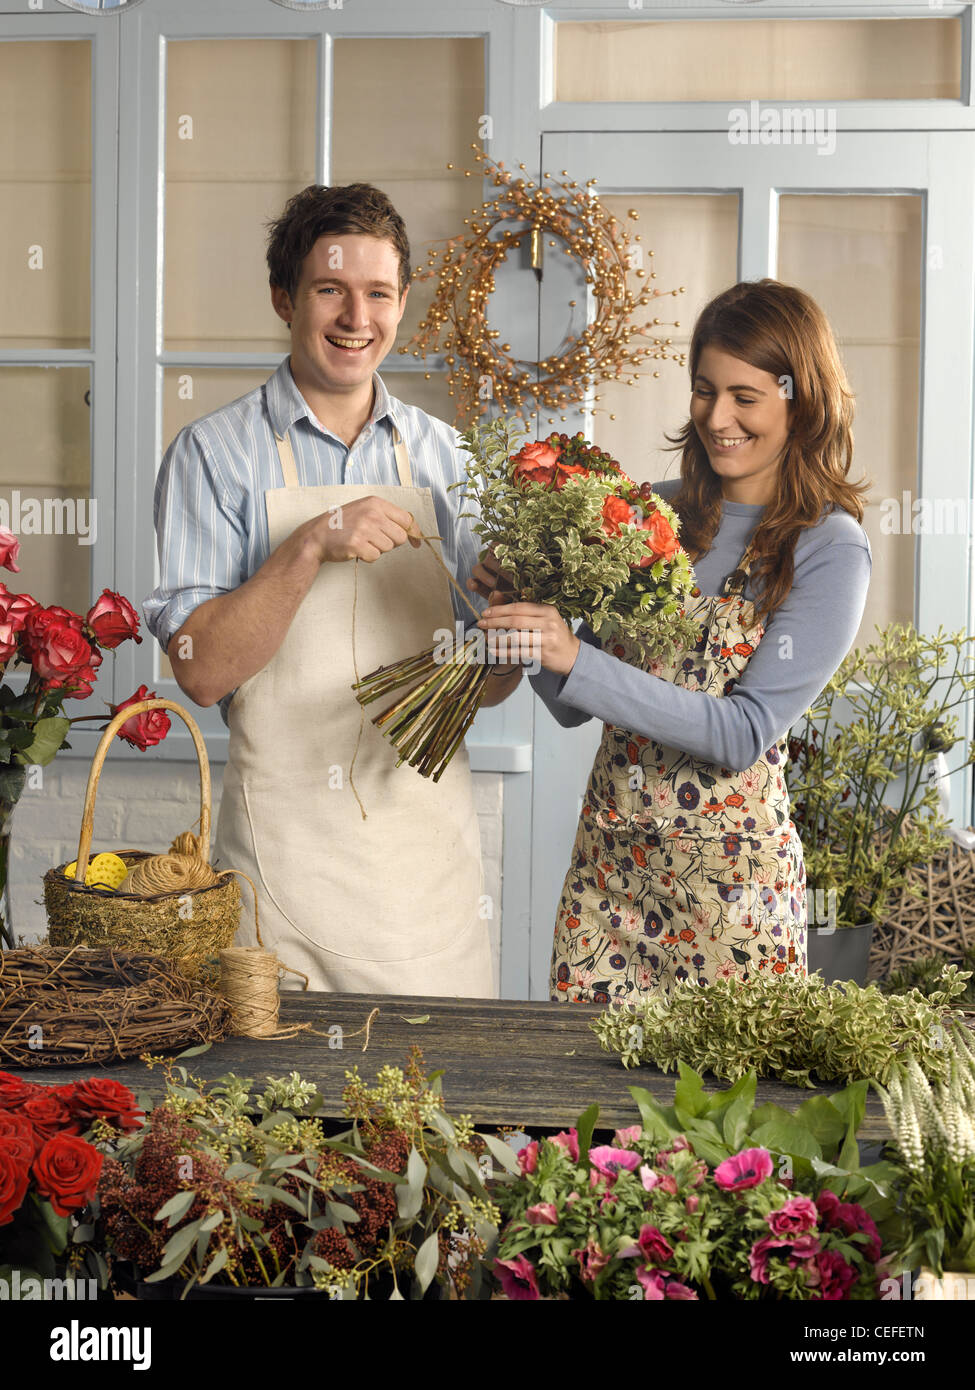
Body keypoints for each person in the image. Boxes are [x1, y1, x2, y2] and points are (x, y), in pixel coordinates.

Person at [144, 183, 520, 996]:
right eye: (330, 290)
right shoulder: (212, 457)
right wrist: (310, 544)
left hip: (427, 878)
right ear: (284, 298)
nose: (357, 317)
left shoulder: (448, 458)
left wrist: (506, 626)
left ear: (401, 302)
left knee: (444, 1118)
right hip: (283, 871)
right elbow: (203, 670)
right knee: (282, 1120)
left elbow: (485, 688)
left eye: (377, 294)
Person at [474, 278, 872, 1003]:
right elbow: (573, 702)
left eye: (744, 398)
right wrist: (523, 615)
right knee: (585, 1111)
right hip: (608, 879)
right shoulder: (650, 513)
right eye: (703, 390)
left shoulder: (827, 548)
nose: (717, 417)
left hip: (731, 900)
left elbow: (741, 732)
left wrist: (574, 654)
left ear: (799, 401)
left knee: (722, 1114)